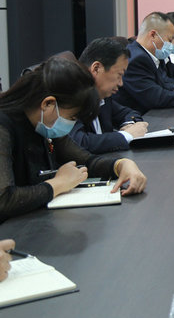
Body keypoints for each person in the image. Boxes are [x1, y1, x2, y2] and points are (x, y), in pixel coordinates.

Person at [0, 56, 147, 222]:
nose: (71, 124)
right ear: (48, 104)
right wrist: (59, 183)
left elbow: (85, 160)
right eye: (72, 117)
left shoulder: (45, 124)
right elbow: (4, 200)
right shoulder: (4, 127)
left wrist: (120, 165)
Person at [114, 12, 174, 113]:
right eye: (169, 40)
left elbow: (160, 83)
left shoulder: (151, 54)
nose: (171, 45)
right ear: (153, 35)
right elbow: (153, 97)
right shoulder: (137, 58)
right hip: (140, 116)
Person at [69, 37, 148, 153]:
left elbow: (128, 113)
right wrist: (127, 135)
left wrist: (129, 125)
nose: (121, 83)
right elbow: (79, 143)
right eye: (119, 75)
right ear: (96, 69)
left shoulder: (103, 95)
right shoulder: (71, 95)